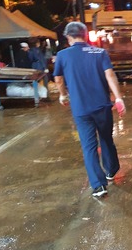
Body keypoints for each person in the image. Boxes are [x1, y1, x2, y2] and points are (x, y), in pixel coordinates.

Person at [53, 22, 126, 198]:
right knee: (106, 138)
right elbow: (110, 75)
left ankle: (99, 186)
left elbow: (58, 79)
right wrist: (118, 97)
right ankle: (111, 170)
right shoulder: (99, 52)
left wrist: (63, 95)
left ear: (68, 37)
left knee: (89, 146)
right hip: (102, 105)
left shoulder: (62, 55)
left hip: (81, 108)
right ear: (85, 35)